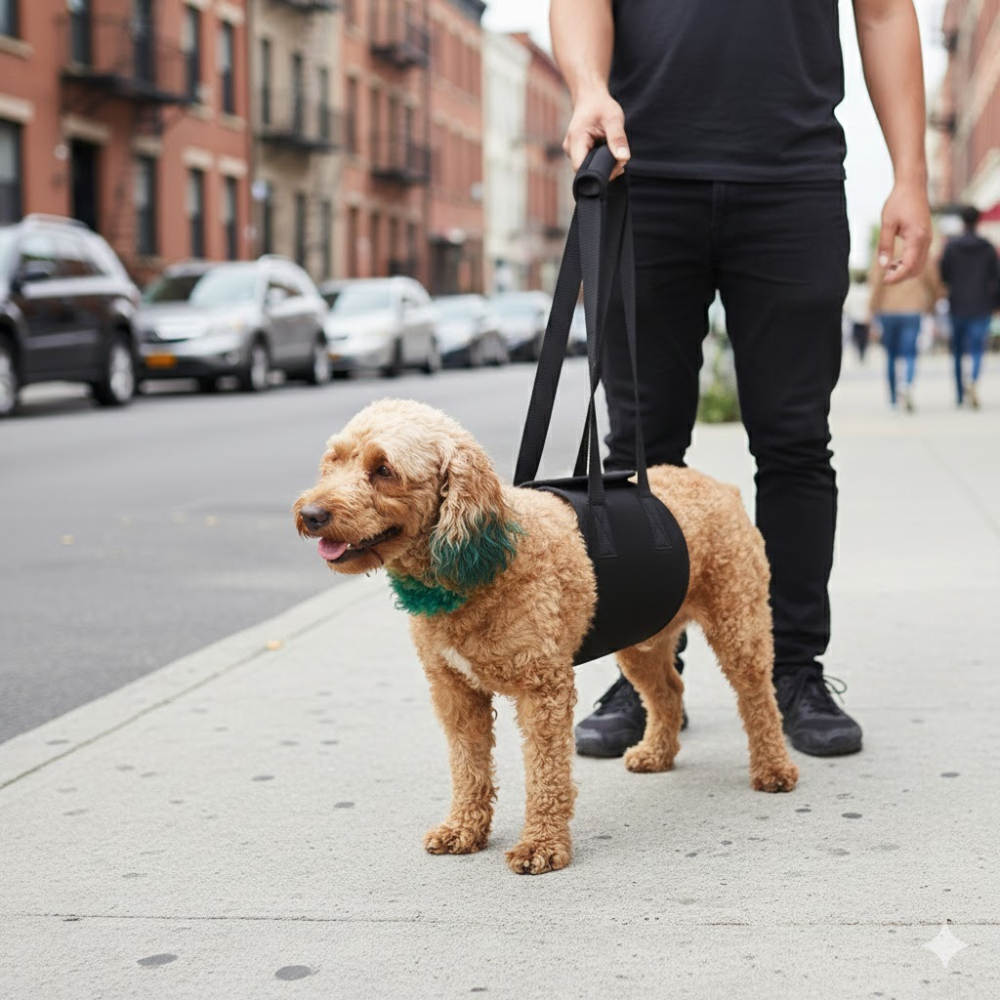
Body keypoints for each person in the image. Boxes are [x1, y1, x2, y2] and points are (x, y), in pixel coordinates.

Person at [551, 0, 931, 757]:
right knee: (640, 451)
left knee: (794, 441)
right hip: (642, 174)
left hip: (794, 181)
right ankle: (645, 673)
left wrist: (910, 176)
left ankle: (795, 669)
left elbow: (885, 13)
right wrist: (588, 85)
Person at [940, 205, 1000, 409]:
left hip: (957, 304)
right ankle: (973, 380)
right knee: (977, 349)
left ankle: (959, 394)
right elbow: (997, 277)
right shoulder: (988, 247)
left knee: (957, 351)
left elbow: (944, 274)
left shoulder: (951, 246)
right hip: (982, 304)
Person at [869, 241, 940, 411]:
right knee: (910, 353)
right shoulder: (919, 249)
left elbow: (877, 281)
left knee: (891, 356)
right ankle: (906, 384)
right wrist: (933, 302)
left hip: (888, 309)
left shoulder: (884, 250)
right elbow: (932, 279)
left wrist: (872, 308)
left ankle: (893, 399)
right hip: (912, 308)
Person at [843, 271, 873, 363]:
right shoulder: (868, 290)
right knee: (864, 337)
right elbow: (871, 304)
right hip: (865, 317)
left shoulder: (852, 290)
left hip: (854, 317)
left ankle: (859, 352)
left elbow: (847, 305)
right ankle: (862, 352)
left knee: (856, 336)